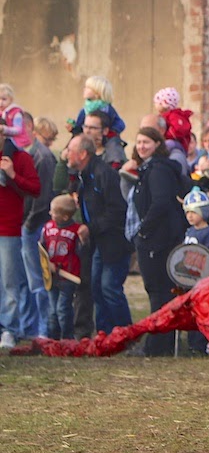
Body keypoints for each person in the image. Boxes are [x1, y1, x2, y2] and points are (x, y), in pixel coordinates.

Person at [127, 127, 188, 357]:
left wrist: (144, 230)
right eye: (139, 142)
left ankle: (157, 345)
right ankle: (157, 342)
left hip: (158, 240)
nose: (142, 146)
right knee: (157, 291)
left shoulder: (158, 169)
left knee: (159, 292)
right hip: (154, 239)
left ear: (157, 144)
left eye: (147, 142)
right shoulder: (148, 169)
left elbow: (161, 202)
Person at [64, 135, 131, 337]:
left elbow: (117, 210)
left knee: (109, 287)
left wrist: (90, 228)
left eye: (71, 149)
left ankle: (126, 334)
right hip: (98, 241)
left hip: (114, 240)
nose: (66, 153)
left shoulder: (103, 174)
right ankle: (105, 334)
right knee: (96, 287)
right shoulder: (84, 175)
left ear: (83, 154)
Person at [0, 135, 41, 349]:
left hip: (8, 229)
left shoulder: (19, 158)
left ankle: (10, 329)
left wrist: (12, 174)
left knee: (9, 282)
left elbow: (35, 188)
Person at [19, 112, 57, 338]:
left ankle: (43, 329)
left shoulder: (42, 157)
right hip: (22, 225)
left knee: (37, 280)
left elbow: (40, 199)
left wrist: (27, 225)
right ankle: (27, 327)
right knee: (24, 280)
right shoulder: (27, 155)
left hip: (32, 227)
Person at [41, 195, 83, 340]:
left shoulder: (76, 231)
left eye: (53, 212)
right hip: (52, 277)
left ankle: (67, 338)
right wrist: (47, 264)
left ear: (65, 217)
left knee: (63, 309)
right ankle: (53, 338)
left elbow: (81, 253)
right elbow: (42, 249)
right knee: (53, 309)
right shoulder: (47, 227)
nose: (50, 214)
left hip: (67, 277)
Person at [181, 188, 209, 252]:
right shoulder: (190, 230)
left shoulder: (208, 233)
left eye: (194, 212)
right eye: (187, 212)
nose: (190, 216)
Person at [0, 84, 30, 149]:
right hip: (4, 139)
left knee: (7, 145)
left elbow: (18, 130)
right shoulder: (2, 112)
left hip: (15, 140)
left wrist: (4, 129)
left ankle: (6, 158)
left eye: (4, 99)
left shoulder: (16, 113)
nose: (1, 102)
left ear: (11, 100)